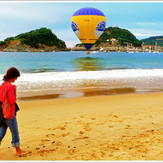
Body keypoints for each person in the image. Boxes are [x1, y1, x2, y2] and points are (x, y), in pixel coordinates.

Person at [0, 67, 29, 156]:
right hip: (9, 112)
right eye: (16, 77)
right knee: (14, 131)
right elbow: (12, 101)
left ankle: (18, 150)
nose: (16, 79)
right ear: (12, 76)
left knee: (2, 130)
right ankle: (18, 151)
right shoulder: (10, 86)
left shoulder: (3, 84)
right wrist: (14, 91)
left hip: (1, 111)